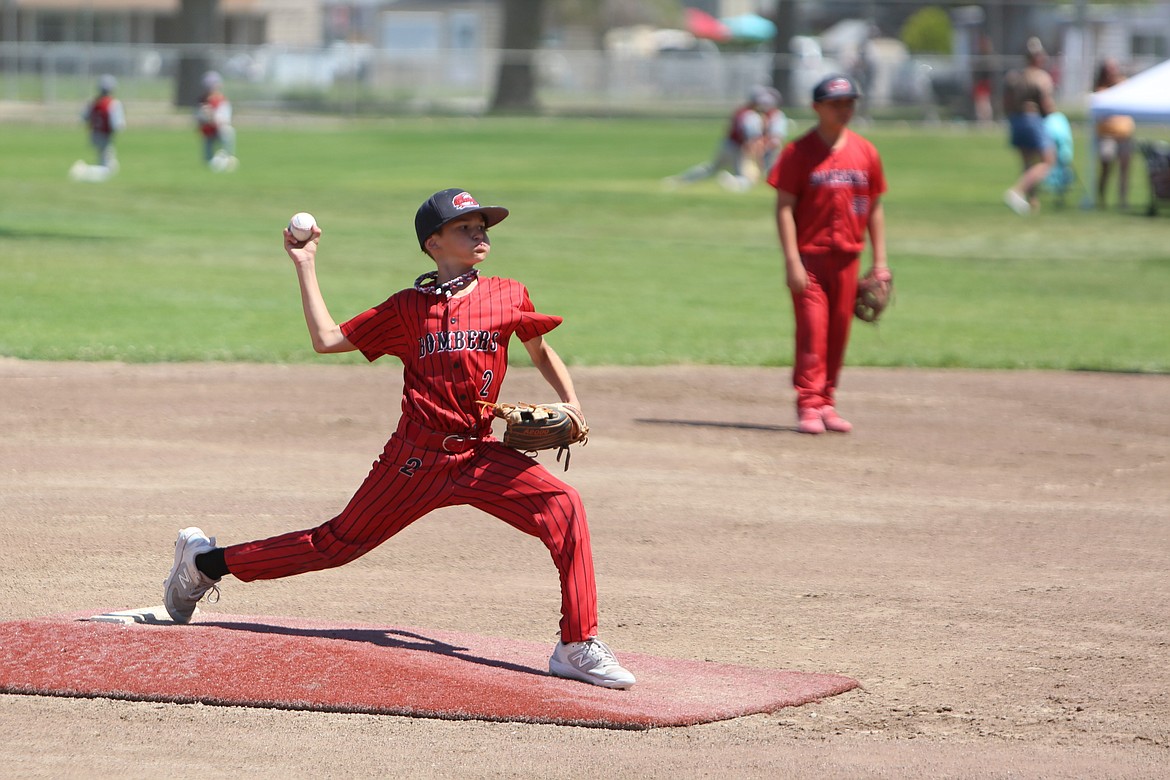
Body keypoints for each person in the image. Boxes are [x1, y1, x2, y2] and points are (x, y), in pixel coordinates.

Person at [162, 188, 636, 690]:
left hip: (478, 454)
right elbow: (326, 340)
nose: (480, 233)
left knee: (564, 506)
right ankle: (204, 562)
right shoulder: (407, 309)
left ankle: (576, 644)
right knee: (335, 546)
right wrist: (305, 263)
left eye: (483, 226)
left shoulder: (507, 294)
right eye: (465, 227)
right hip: (414, 461)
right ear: (433, 243)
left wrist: (572, 401)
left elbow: (539, 350)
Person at [766, 75, 888, 435]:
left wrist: (880, 263)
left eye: (849, 102)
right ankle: (808, 403)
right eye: (836, 103)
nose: (844, 109)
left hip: (849, 258)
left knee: (838, 334)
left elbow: (875, 208)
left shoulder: (865, 152)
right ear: (817, 108)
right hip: (811, 260)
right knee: (812, 333)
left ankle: (827, 401)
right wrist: (791, 260)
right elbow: (784, 207)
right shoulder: (798, 152)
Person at [664, 86, 788, 192]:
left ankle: (682, 180)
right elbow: (752, 140)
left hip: (729, 144)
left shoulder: (743, 111)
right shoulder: (750, 115)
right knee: (746, 178)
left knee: (711, 168)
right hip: (737, 148)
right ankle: (727, 180)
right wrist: (758, 157)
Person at [1002, 37, 1056, 215]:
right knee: (1047, 161)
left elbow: (1006, 102)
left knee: (1027, 163)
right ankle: (1017, 191)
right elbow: (1046, 104)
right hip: (1032, 119)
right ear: (1037, 57)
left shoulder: (1016, 76)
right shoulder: (1041, 77)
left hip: (1016, 120)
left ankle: (1032, 202)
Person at [1093, 58, 1135, 210]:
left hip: (1124, 136)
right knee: (1106, 169)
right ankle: (1101, 200)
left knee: (1124, 170)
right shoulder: (1101, 90)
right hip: (1107, 136)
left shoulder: (1123, 85)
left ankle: (1123, 201)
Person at [71, 74, 125, 182]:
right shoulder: (113, 103)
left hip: (94, 135)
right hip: (105, 136)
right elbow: (117, 124)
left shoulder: (93, 102)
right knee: (109, 168)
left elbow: (83, 118)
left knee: (104, 160)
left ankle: (94, 178)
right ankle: (84, 170)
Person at [196, 70, 237, 171]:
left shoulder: (222, 100)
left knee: (228, 131)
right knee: (207, 158)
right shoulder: (203, 101)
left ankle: (227, 156)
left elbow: (224, 118)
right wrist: (206, 116)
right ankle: (210, 162)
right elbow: (199, 117)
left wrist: (215, 118)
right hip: (209, 129)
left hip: (220, 128)